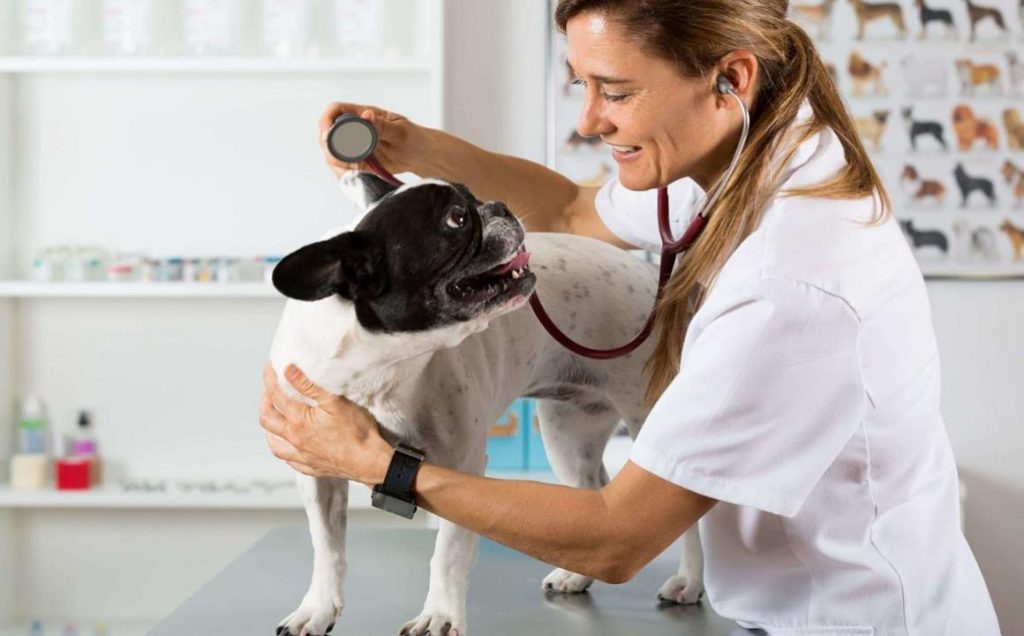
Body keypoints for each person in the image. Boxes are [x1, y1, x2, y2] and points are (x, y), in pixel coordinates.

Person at [258, 0, 1001, 634]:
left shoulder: (794, 285)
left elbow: (618, 539)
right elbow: (572, 211)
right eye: (581, 85)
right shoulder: (744, 152)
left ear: (729, 78)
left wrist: (375, 463)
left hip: (852, 618)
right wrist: (414, 145)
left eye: (614, 91)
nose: (588, 121)